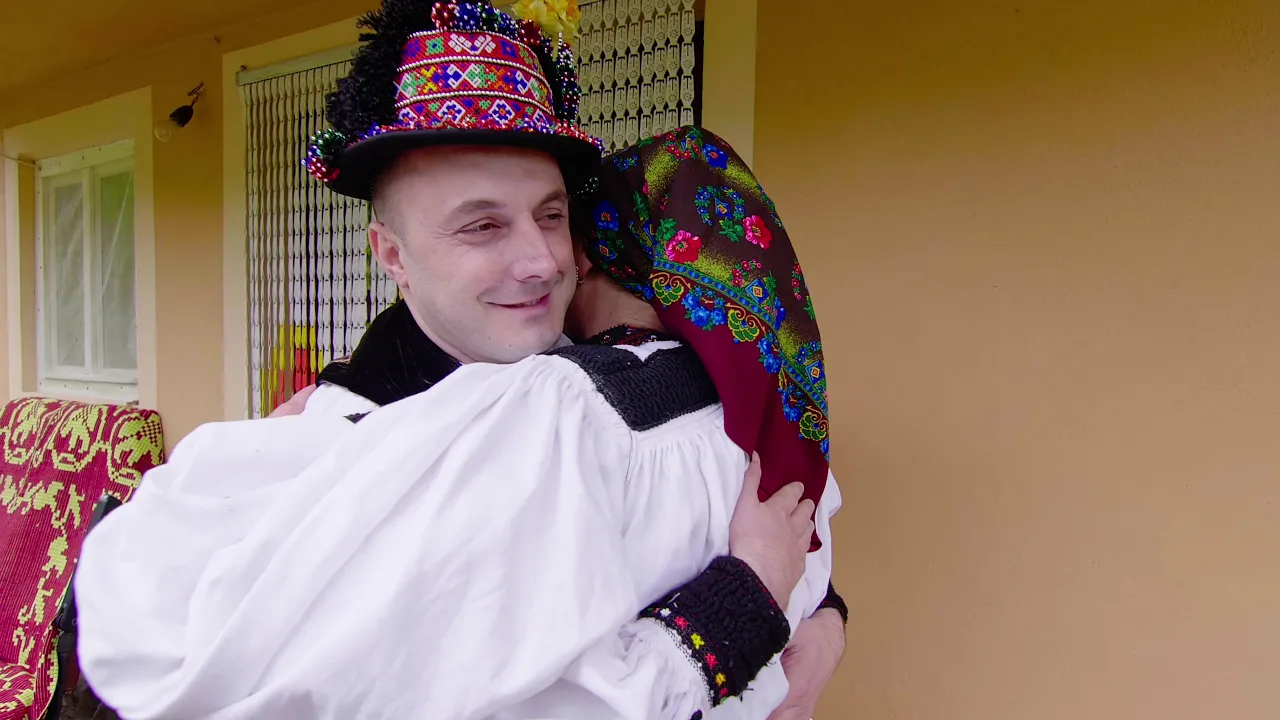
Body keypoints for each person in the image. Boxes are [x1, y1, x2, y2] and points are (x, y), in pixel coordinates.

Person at [73, 2, 844, 718]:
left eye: (551, 215)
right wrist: (744, 606)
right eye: (482, 227)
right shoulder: (342, 443)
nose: (543, 261)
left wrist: (822, 619)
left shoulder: (602, 377)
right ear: (391, 255)